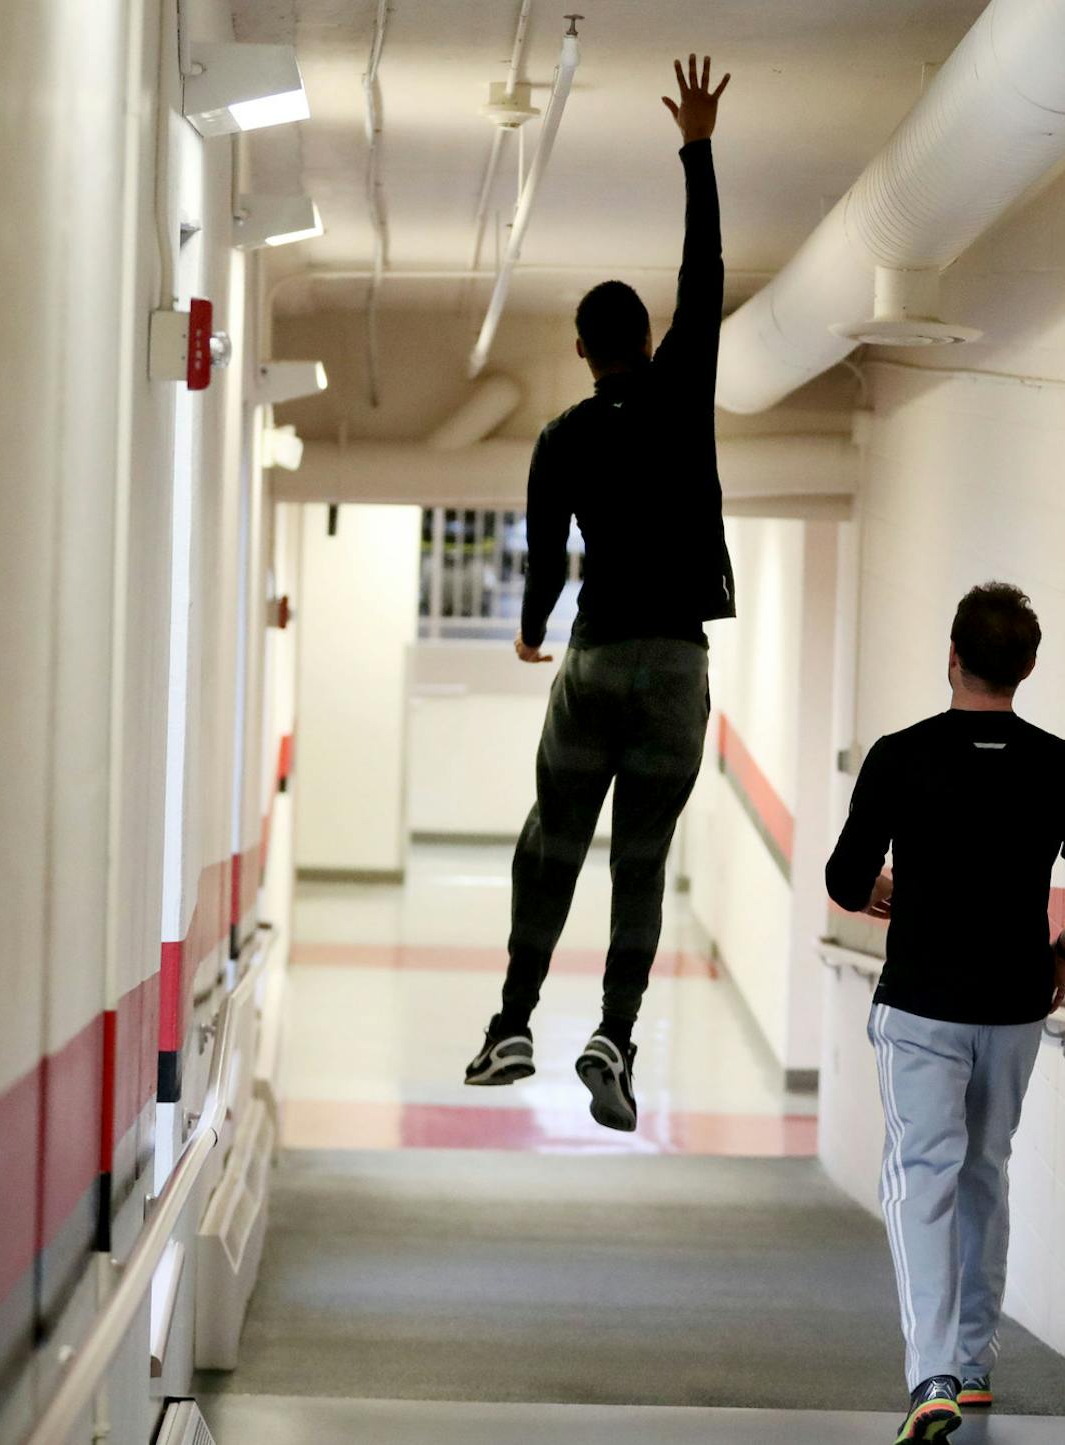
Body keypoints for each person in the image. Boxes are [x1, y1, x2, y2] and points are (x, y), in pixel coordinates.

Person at [462, 55, 737, 1134]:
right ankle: (614, 1033)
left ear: (582, 350)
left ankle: (512, 1022)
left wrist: (534, 633)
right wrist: (698, 144)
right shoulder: (682, 395)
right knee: (642, 859)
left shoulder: (561, 437)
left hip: (595, 657)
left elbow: (543, 559)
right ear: (648, 343)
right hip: (675, 663)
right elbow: (705, 271)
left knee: (551, 840)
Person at [825, 583, 1065, 1443]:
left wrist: (886, 888)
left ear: (951, 658)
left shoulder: (899, 756)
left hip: (921, 1004)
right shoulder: (1060, 763)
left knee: (921, 1178)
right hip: (1014, 1006)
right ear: (1026, 669)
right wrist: (1063, 952)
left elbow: (846, 880)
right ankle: (975, 1362)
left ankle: (932, 1379)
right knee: (985, 1171)